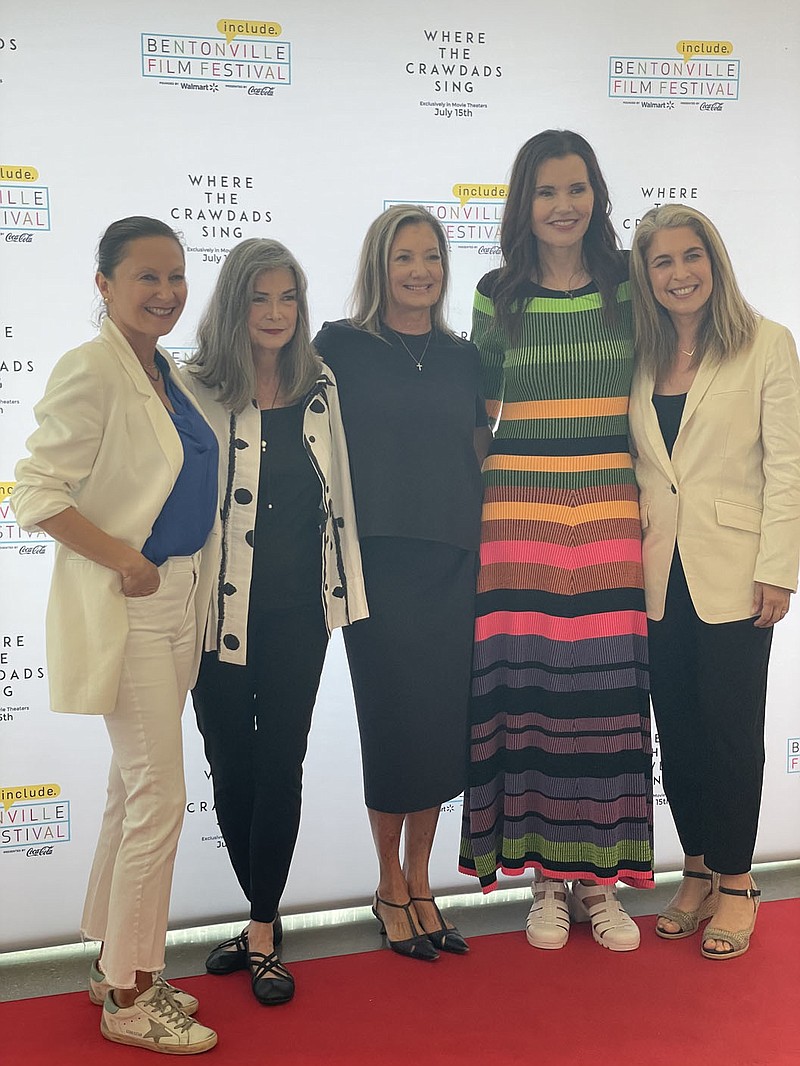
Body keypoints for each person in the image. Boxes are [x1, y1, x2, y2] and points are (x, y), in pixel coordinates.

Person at [12, 217, 220, 1054]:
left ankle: (114, 964)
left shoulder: (159, 367)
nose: (166, 292)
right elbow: (34, 492)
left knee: (129, 794)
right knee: (158, 799)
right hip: (129, 599)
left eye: (175, 276)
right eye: (146, 277)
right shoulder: (90, 368)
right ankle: (131, 999)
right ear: (104, 283)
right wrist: (126, 560)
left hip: (177, 599)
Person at [459, 130, 654, 952]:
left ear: (597, 197)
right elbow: (475, 418)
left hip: (613, 516)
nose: (563, 206)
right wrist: (506, 496)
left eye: (577, 189)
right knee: (532, 697)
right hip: (517, 524)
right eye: (546, 192)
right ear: (523, 204)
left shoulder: (630, 287)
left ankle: (600, 882)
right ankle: (545, 880)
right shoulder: (493, 292)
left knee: (606, 703)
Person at [182, 238, 368, 1003]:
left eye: (288, 298)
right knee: (230, 764)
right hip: (211, 614)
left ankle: (262, 924)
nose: (276, 314)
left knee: (281, 762)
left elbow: (340, 496)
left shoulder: (319, 383)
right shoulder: (190, 387)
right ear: (234, 304)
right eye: (260, 298)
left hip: (298, 614)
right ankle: (261, 916)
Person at [313, 205, 486, 961]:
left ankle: (422, 881)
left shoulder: (462, 355)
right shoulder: (338, 347)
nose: (421, 270)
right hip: (374, 566)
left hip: (454, 559)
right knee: (393, 726)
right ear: (378, 265)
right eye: (404, 256)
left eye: (433, 257)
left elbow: (480, 449)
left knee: (440, 727)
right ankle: (388, 885)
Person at [628, 204, 800, 959]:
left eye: (690, 256)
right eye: (662, 262)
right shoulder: (639, 352)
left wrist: (779, 570)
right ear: (647, 275)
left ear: (715, 260)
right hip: (656, 574)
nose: (679, 274)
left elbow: (789, 468)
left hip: (736, 572)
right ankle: (694, 869)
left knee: (731, 733)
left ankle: (737, 881)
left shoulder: (766, 344)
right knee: (680, 733)